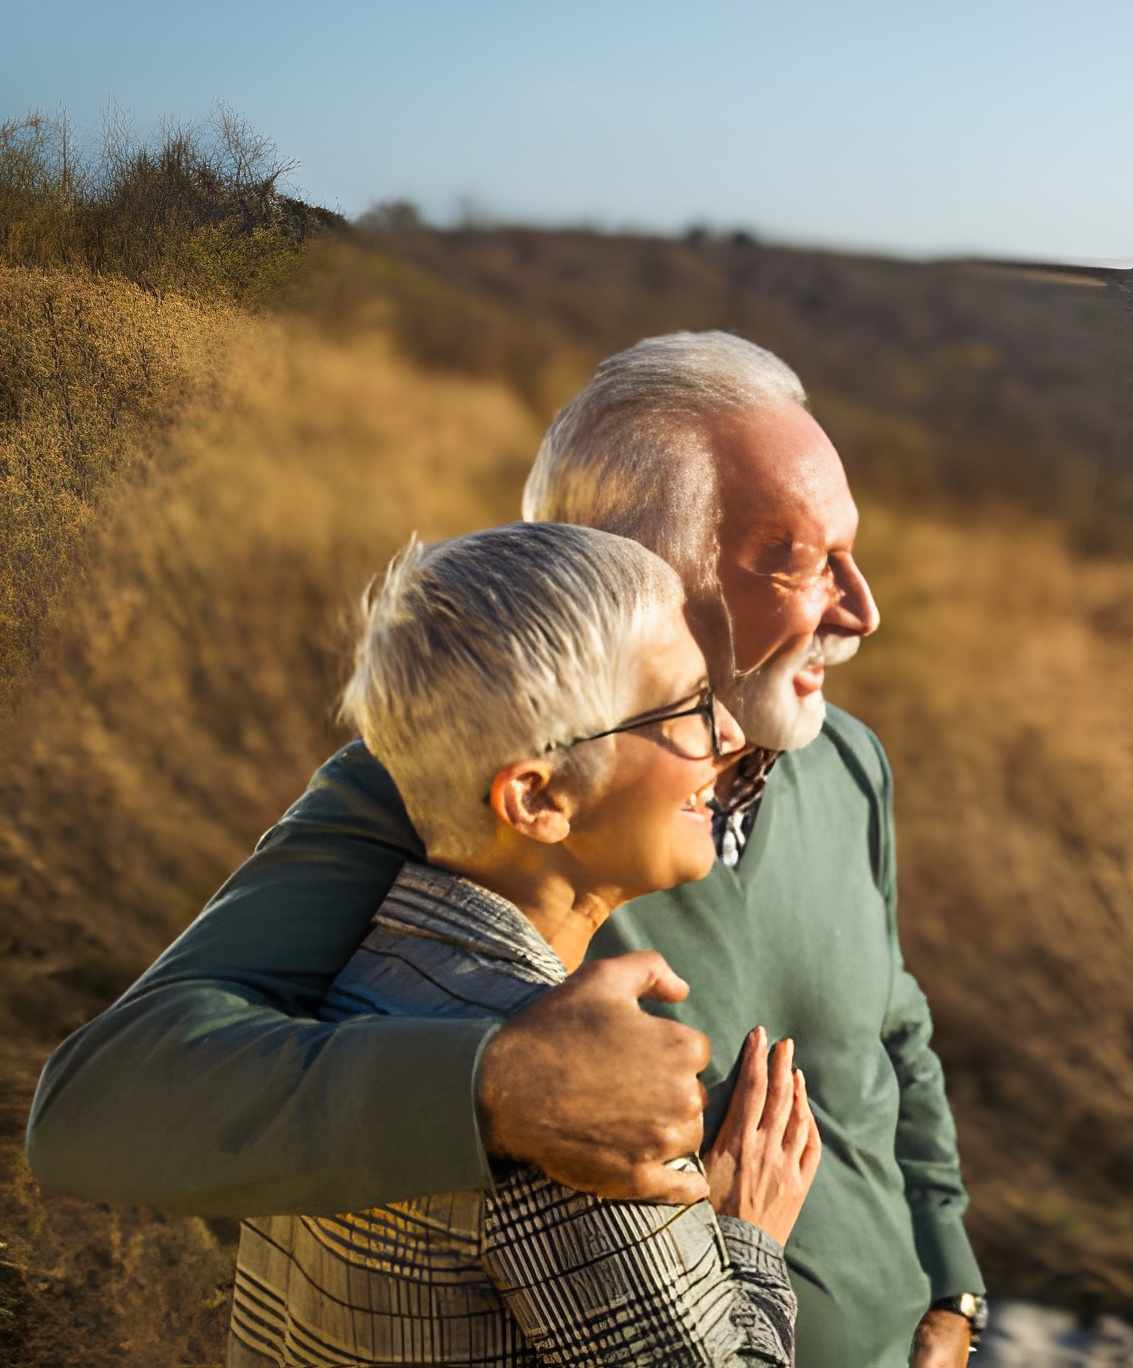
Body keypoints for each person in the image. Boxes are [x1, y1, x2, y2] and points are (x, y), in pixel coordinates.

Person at [27, 333, 988, 1367]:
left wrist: (951, 1291)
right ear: (626, 569)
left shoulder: (847, 759)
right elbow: (100, 1107)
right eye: (795, 559)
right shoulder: (431, 790)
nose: (862, 611)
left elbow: (893, 1030)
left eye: (850, 553)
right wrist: (495, 1086)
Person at [231, 522, 815, 1365]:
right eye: (686, 706)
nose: (728, 736)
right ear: (538, 799)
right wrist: (746, 1237)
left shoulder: (344, 968)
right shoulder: (575, 1111)